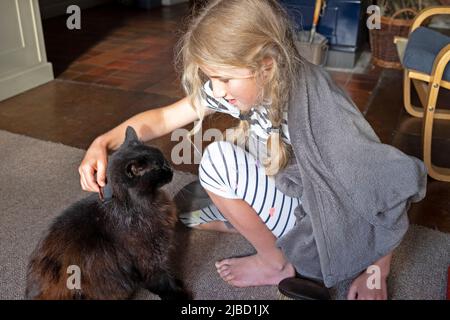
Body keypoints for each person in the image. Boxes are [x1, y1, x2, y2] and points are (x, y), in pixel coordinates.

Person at [79, 0, 426, 300]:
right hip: (295, 187)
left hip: (324, 213)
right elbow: (163, 118)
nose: (217, 90)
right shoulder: (244, 81)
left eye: (225, 79)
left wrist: (377, 268)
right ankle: (252, 224)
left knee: (217, 161)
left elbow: (388, 183)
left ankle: (274, 261)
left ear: (267, 66)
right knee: (207, 185)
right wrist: (102, 142)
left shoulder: (319, 106)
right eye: (210, 78)